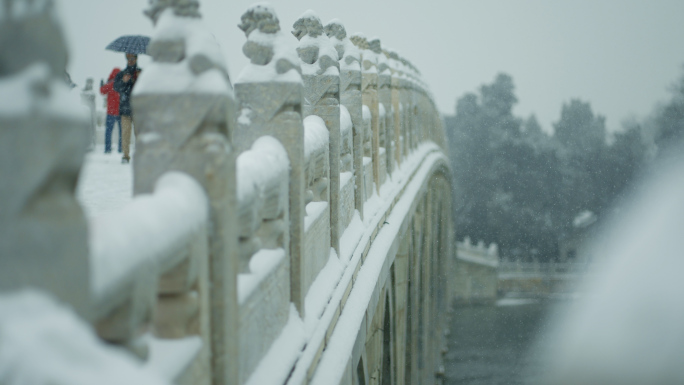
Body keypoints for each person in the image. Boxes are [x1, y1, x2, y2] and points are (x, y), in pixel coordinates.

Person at [113, 53, 141, 163]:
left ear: (136, 58)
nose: (130, 60)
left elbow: (148, 86)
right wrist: (123, 81)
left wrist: (140, 79)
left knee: (139, 134)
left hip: (139, 109)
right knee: (125, 133)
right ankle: (125, 156)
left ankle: (140, 155)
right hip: (125, 108)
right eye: (128, 58)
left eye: (132, 58)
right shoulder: (121, 74)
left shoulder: (141, 73)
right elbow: (116, 87)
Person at [100, 68, 122, 153]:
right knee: (122, 132)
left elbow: (102, 91)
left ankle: (108, 149)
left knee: (108, 132)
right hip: (120, 112)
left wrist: (101, 85)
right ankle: (121, 148)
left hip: (111, 112)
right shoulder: (121, 84)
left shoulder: (110, 84)